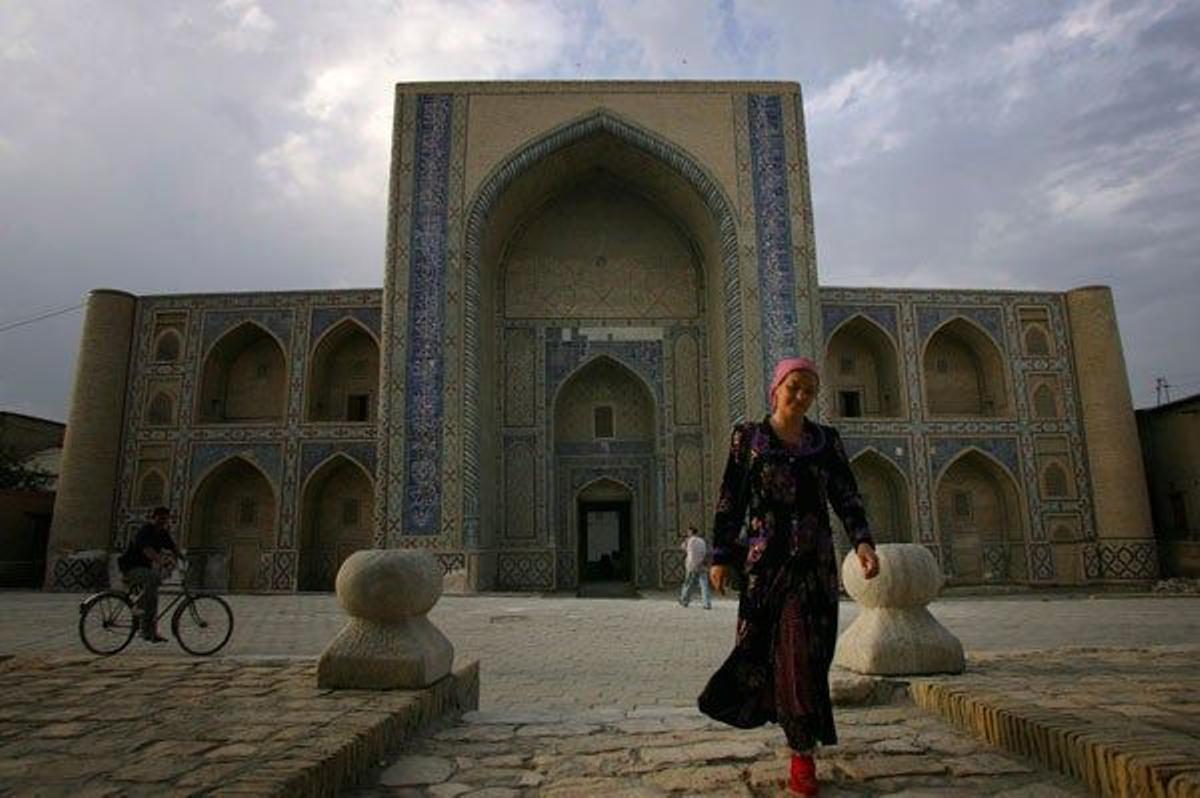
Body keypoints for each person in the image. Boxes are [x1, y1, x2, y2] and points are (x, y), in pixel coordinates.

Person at [698, 356, 880, 796]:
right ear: (775, 388)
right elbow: (730, 501)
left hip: (814, 565)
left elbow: (846, 497)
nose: (800, 396)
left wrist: (863, 543)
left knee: (806, 657)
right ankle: (800, 748)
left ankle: (801, 747)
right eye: (793, 387)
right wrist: (720, 555)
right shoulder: (749, 439)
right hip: (768, 566)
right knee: (773, 652)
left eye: (809, 391)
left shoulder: (825, 441)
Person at [119, 506, 179, 643]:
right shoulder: (145, 531)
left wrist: (183, 558)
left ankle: (149, 632)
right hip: (131, 567)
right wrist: (161, 561)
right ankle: (137, 606)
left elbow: (173, 547)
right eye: (160, 518)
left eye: (165, 518)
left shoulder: (162, 533)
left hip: (144, 569)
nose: (162, 521)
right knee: (154, 579)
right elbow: (147, 550)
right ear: (153, 518)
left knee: (152, 600)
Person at [678, 526, 712, 609]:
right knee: (704, 585)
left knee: (688, 583)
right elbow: (705, 552)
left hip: (691, 565)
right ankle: (706, 603)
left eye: (688, 532)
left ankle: (684, 600)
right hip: (702, 564)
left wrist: (685, 542)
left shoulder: (689, 540)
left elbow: (682, 547)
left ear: (690, 532)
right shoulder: (702, 540)